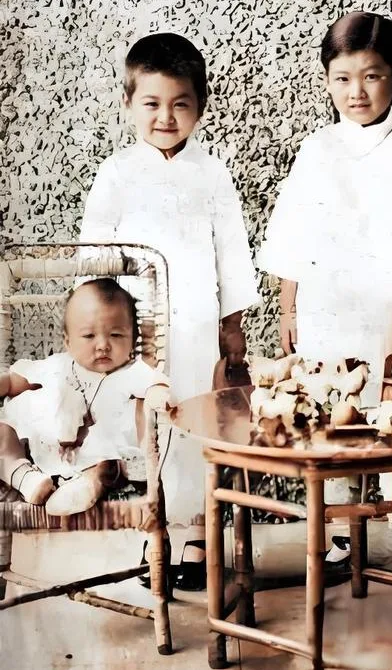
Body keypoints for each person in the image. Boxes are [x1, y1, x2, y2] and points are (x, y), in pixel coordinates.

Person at [258, 11, 392, 578]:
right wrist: (290, 306)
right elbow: (293, 233)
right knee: (330, 411)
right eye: (342, 78)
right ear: (326, 81)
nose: (356, 91)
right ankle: (340, 530)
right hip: (327, 307)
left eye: (372, 76)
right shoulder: (317, 150)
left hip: (391, 309)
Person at [80, 32, 259, 588]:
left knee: (198, 424)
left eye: (180, 104)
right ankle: (155, 530)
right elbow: (94, 251)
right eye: (152, 103)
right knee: (149, 428)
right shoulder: (116, 174)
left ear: (200, 106)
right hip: (136, 328)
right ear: (128, 103)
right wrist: (100, 323)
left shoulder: (212, 174)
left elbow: (231, 252)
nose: (165, 117)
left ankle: (200, 537)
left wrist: (232, 324)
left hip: (198, 325)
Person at [0, 279, 168, 516]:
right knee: (4, 431)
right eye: (89, 335)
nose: (103, 345)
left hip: (97, 450)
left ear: (132, 340)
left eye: (116, 335)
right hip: (44, 446)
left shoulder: (130, 372)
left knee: (110, 459)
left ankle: (90, 485)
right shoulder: (57, 365)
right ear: (68, 342)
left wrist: (159, 393)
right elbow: (14, 382)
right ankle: (25, 477)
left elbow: (156, 384)